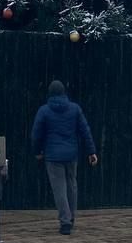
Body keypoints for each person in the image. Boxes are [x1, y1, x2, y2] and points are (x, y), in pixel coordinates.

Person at [31, 79, 98, 234]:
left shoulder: (44, 111)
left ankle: (65, 222)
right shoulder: (75, 109)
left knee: (59, 189)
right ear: (64, 92)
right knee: (72, 186)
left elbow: (36, 134)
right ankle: (71, 217)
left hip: (53, 156)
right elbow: (85, 131)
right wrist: (91, 151)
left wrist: (37, 151)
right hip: (71, 154)